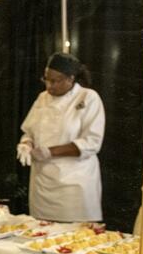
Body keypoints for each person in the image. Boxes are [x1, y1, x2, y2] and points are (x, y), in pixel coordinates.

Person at [16, 52, 106, 222]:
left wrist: (50, 152)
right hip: (43, 185)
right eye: (46, 79)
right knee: (41, 236)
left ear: (70, 79)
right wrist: (26, 144)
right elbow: (29, 131)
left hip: (74, 186)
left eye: (55, 81)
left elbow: (92, 143)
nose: (49, 86)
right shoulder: (42, 98)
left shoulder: (88, 97)